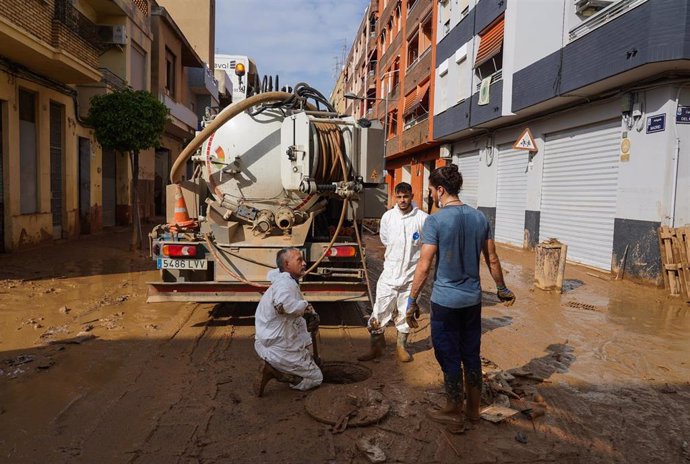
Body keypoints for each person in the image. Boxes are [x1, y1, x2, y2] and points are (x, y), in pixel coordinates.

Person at [405, 164, 515, 427]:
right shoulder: (480, 218)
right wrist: (502, 288)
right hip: (472, 302)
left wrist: (411, 300)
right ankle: (473, 411)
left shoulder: (436, 220)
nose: (431, 195)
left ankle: (454, 407)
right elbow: (493, 259)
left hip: (445, 302)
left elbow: (424, 265)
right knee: (471, 354)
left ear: (441, 190)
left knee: (448, 354)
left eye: (431, 190)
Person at [358, 182, 428, 363]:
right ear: (394, 197)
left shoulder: (422, 219)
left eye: (406, 196)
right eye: (399, 197)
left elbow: (426, 247)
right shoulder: (388, 217)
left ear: (412, 196)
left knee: (406, 313)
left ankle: (401, 347)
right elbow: (386, 240)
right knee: (379, 311)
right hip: (389, 275)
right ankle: (376, 348)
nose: (402, 200)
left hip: (411, 277)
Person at [254, 247, 322, 397]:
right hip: (278, 348)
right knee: (316, 378)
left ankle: (287, 365)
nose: (304, 263)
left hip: (268, 342)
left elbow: (295, 315)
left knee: (299, 323)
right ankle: (278, 373)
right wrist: (307, 309)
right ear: (287, 264)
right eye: (299, 260)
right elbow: (283, 305)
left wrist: (309, 314)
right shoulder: (285, 285)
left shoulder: (285, 280)